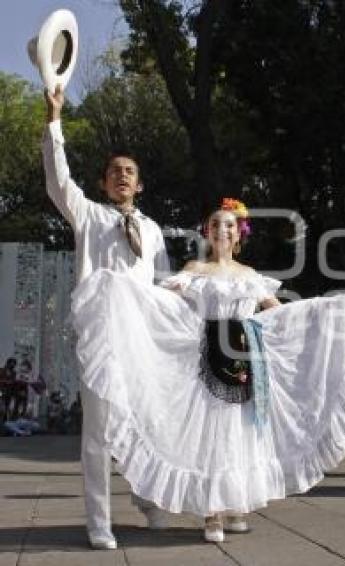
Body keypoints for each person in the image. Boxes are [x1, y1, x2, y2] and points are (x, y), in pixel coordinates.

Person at [70, 198, 345, 542]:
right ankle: (212, 513)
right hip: (206, 358)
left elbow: (278, 312)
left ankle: (235, 506)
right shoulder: (194, 269)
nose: (222, 229)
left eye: (229, 225)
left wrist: (323, 311)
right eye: (216, 224)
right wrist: (125, 292)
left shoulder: (249, 275)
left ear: (239, 234)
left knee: (240, 436)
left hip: (246, 359)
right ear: (208, 232)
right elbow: (163, 300)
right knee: (212, 437)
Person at [43, 85, 171, 549]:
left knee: (144, 423)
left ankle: (147, 496)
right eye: (114, 171)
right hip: (100, 337)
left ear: (139, 185)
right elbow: (58, 182)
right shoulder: (90, 216)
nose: (122, 175)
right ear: (103, 183)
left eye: (130, 171)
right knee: (98, 431)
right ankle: (100, 521)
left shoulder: (153, 230)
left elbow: (164, 285)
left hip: (142, 339)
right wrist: (54, 120)